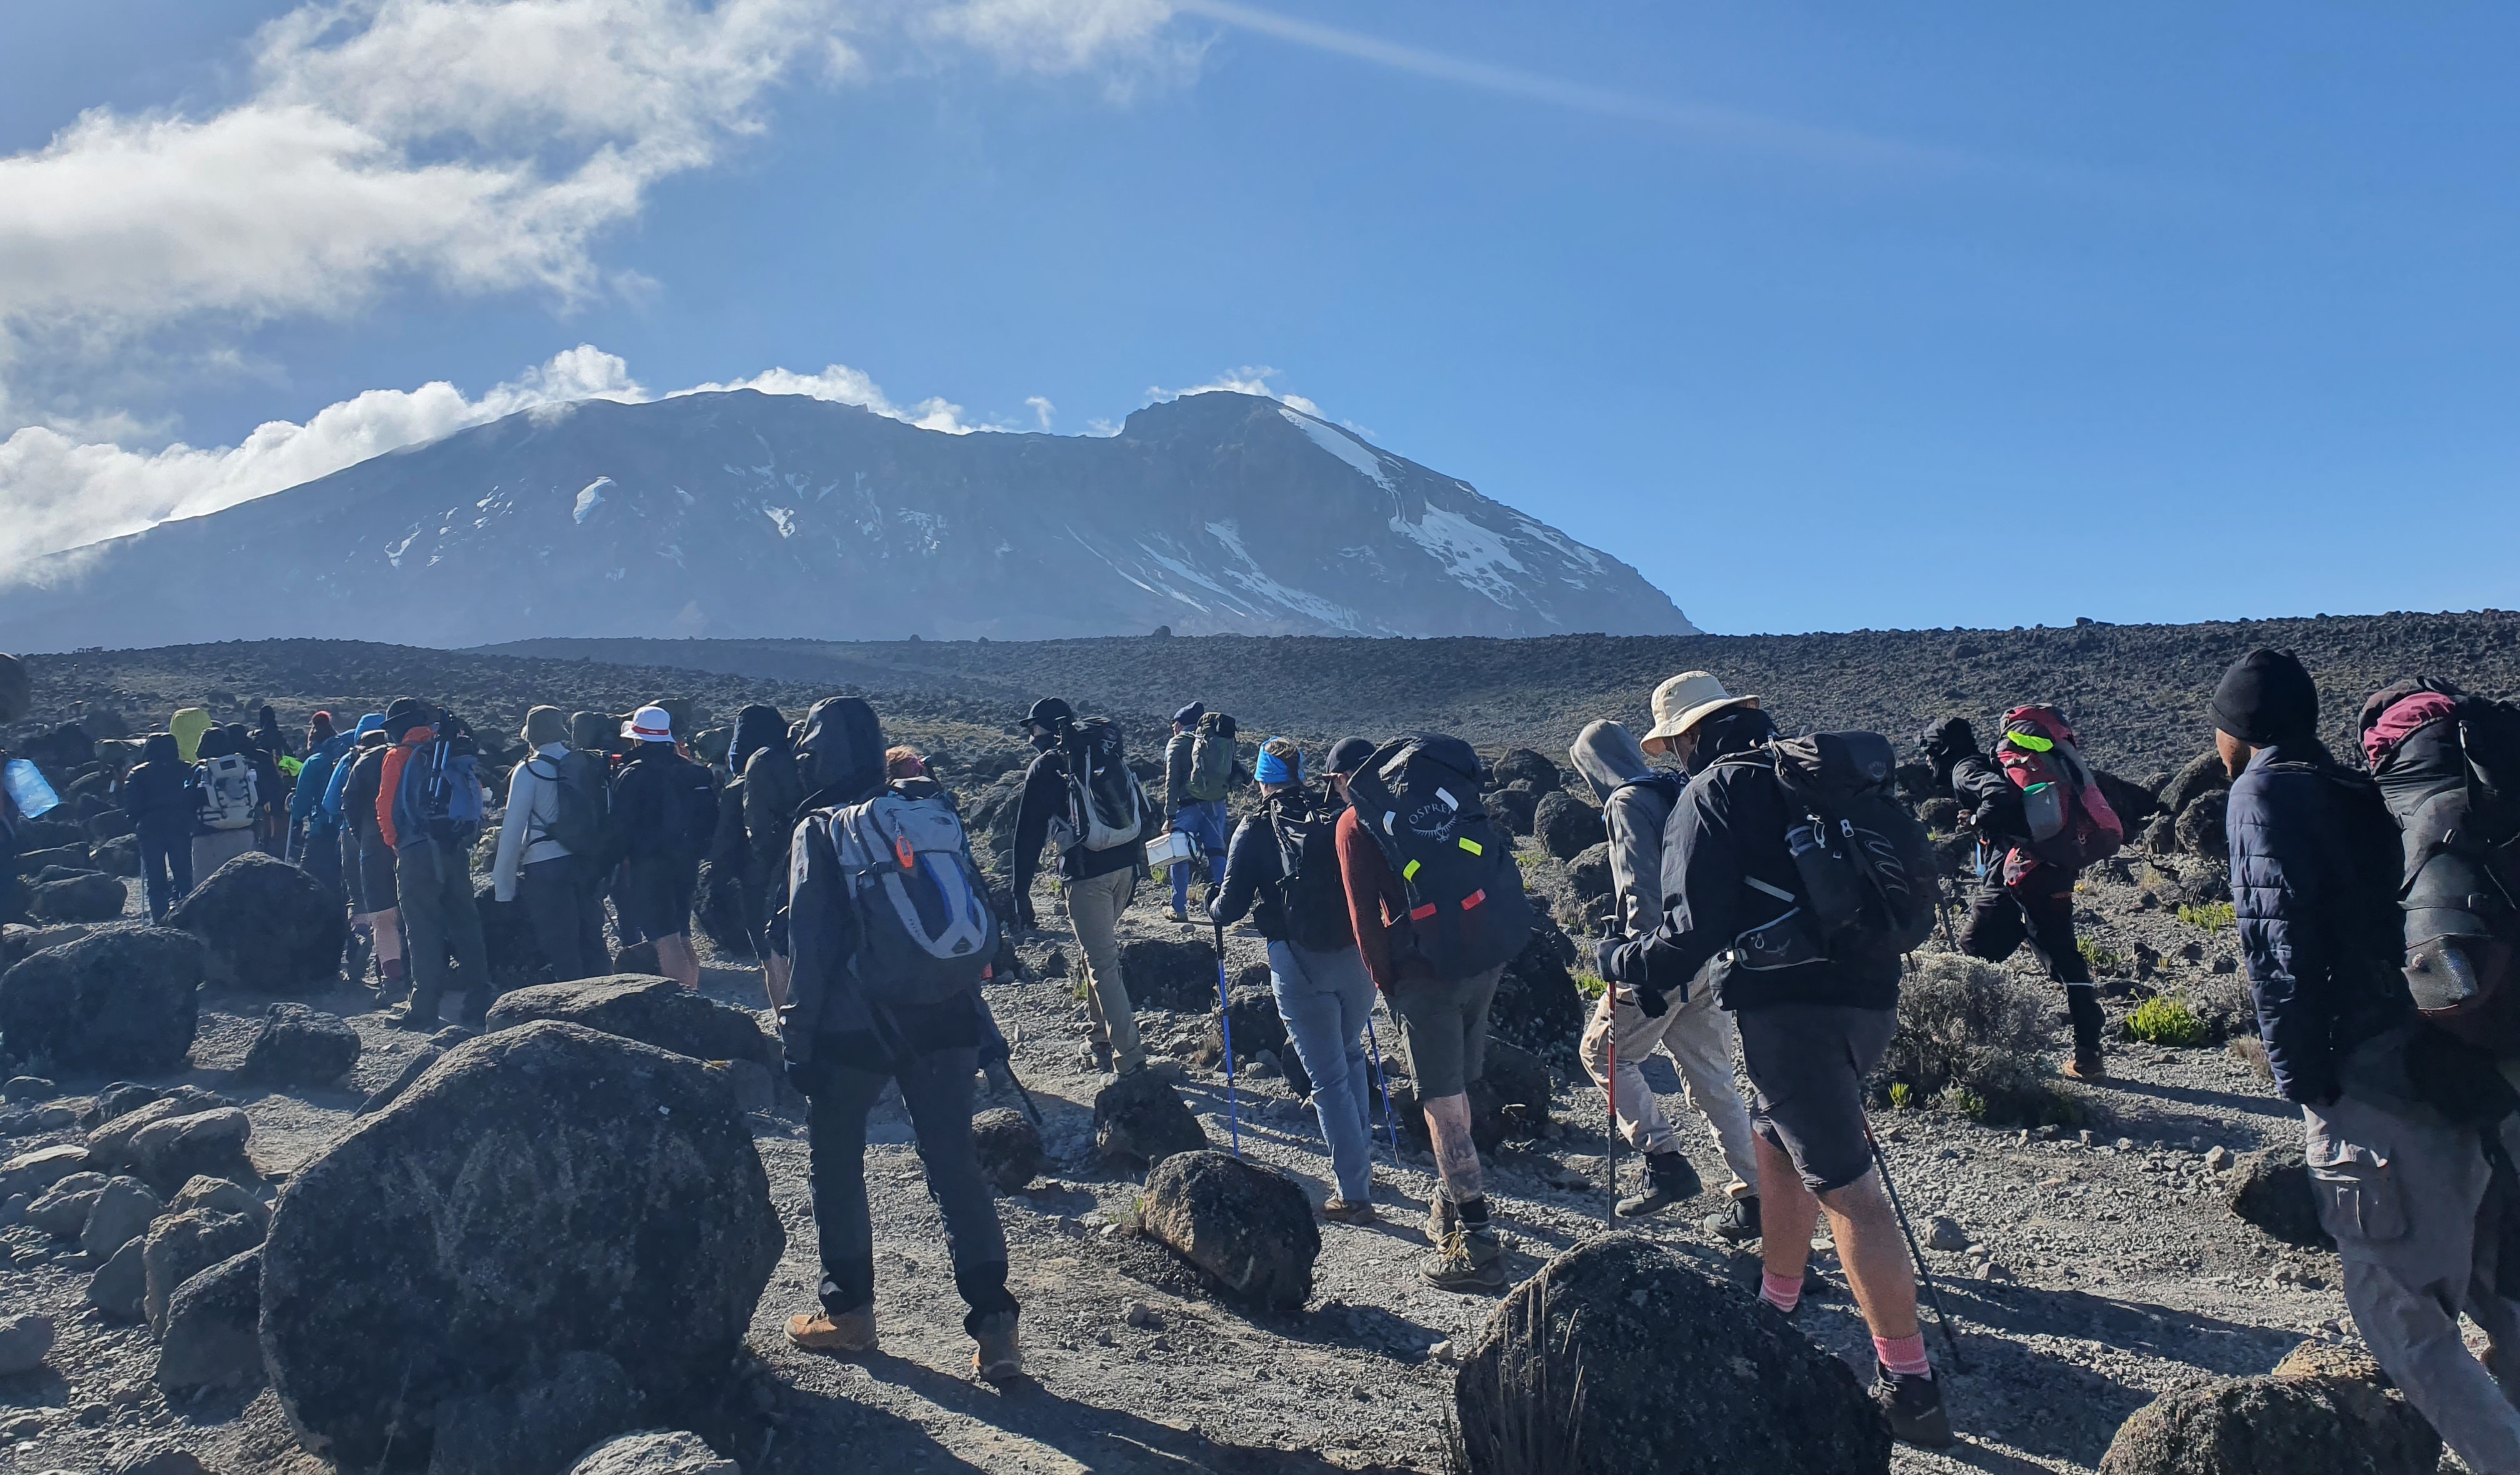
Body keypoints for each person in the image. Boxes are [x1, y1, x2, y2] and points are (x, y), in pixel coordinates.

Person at [1602, 670, 1954, 1447]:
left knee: (1848, 1188)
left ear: (1686, 736)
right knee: (1775, 1137)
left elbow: (1687, 936)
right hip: (1871, 992)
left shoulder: (1712, 792)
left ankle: (1911, 1384)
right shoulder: (1809, 775)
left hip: (1791, 1010)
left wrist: (1619, 957)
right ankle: (1779, 1296)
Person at [2218, 649, 2520, 1472]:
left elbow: (2276, 947)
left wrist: (2305, 1083)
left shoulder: (2263, 792)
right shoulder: (2365, 789)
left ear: (2236, 730)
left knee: (2406, 1319)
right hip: (2465, 1062)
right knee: (2500, 1286)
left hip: (2375, 1084)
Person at [777, 697, 1024, 1381]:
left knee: (836, 1160)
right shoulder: (921, 812)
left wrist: (798, 1038)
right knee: (953, 1163)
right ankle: (996, 1327)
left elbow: (812, 942)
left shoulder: (821, 827)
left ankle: (848, 1311)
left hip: (856, 1023)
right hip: (945, 1013)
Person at [1332, 734, 1526, 1292]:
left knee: (1441, 1105)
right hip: (1482, 956)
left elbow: (1363, 919)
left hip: (1424, 974)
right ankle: (1450, 1203)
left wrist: (1389, 985)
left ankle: (1479, 1244)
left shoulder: (1354, 825)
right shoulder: (1437, 796)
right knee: (1460, 1085)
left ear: (1345, 780)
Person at [1569, 718, 1759, 1228]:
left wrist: (1640, 972)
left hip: (1664, 959)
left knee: (1603, 1053)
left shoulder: (1626, 803)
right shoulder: (1677, 786)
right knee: (1714, 1080)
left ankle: (1664, 1160)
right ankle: (1758, 1198)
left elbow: (1642, 890)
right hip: (1709, 955)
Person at [1208, 736, 1381, 1222]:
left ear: (1262, 779)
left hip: (1300, 962)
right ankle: (1362, 1164)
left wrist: (1209, 901)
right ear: (1301, 772)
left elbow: (1230, 908)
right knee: (1349, 1054)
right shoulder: (1339, 813)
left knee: (1327, 1078)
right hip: (1360, 957)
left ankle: (1354, 1192)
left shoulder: (1256, 826)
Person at [1928, 715, 2109, 1079]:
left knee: (1973, 955)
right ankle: (2088, 1053)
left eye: (1930, 753)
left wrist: (1978, 820)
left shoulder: (1964, 769)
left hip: (2013, 875)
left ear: (1941, 751)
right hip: (2050, 866)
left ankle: (1971, 1058)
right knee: (2063, 956)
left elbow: (1997, 796)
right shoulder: (1998, 763)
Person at [1008, 698, 1150, 1077]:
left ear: (1049, 728)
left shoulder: (1048, 767)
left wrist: (1020, 891)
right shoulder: (1104, 753)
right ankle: (1099, 1037)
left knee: (1104, 963)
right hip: (1125, 869)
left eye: (1033, 728)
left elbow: (1028, 836)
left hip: (1088, 876)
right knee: (1096, 953)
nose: (1029, 737)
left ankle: (1130, 1059)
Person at [379, 699, 492, 1028]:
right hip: (454, 847)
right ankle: (480, 997)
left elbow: (385, 809)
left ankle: (424, 1006)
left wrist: (396, 845)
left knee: (423, 928)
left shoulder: (399, 756)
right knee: (466, 924)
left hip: (417, 851)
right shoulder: (449, 752)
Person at [492, 706, 609, 983]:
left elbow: (512, 832)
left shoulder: (529, 770)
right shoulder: (583, 764)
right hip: (585, 861)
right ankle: (609, 997)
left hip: (545, 865)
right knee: (592, 938)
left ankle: (574, 1009)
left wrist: (503, 888)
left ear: (529, 737)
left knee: (562, 943)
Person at [610, 704, 719, 990]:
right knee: (682, 934)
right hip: (687, 861)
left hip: (649, 865)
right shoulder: (694, 773)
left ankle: (685, 1003)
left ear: (637, 738)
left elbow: (620, 828)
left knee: (664, 937)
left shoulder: (633, 774)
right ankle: (694, 994)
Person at [741, 706, 807, 1009]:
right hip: (819, 860)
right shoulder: (813, 759)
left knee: (773, 949)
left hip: (777, 864)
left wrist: (762, 863)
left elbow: (758, 821)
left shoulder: (763, 761)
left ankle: (788, 1029)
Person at [335, 721, 401, 994]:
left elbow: (344, 802)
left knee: (379, 912)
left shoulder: (362, 762)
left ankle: (391, 976)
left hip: (372, 843)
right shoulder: (407, 756)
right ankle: (416, 971)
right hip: (407, 841)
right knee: (407, 909)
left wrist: (360, 835)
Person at [1162, 703, 1237, 923]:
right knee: (1217, 854)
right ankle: (1225, 910)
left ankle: (1179, 907)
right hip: (1216, 806)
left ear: (1178, 724)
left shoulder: (1177, 743)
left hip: (1187, 807)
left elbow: (1171, 781)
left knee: (1179, 855)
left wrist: (1169, 815)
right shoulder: (1213, 741)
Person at [123, 732, 198, 921]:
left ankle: (160, 920)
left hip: (150, 829)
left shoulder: (138, 774)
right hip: (180, 827)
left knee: (156, 880)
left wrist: (138, 822)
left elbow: (131, 806)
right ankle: (187, 917)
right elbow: (193, 798)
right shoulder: (185, 769)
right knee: (184, 876)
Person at [290, 712, 355, 900]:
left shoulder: (314, 763)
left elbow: (301, 805)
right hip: (351, 829)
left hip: (323, 831)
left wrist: (293, 809)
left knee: (309, 881)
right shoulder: (349, 758)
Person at [188, 724, 261, 880]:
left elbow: (190, 800)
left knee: (205, 888)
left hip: (208, 835)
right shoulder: (244, 766)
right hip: (245, 831)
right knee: (242, 885)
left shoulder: (202, 770)